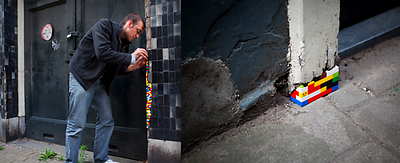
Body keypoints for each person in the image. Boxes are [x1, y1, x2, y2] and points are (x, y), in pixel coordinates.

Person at [65, 13, 148, 163]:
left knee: (106, 120)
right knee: (76, 124)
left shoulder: (124, 43)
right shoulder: (104, 26)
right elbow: (103, 53)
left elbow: (115, 68)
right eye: (138, 31)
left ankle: (101, 158)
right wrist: (131, 57)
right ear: (130, 23)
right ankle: (70, 161)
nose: (138, 36)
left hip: (98, 82)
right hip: (82, 78)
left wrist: (133, 66)